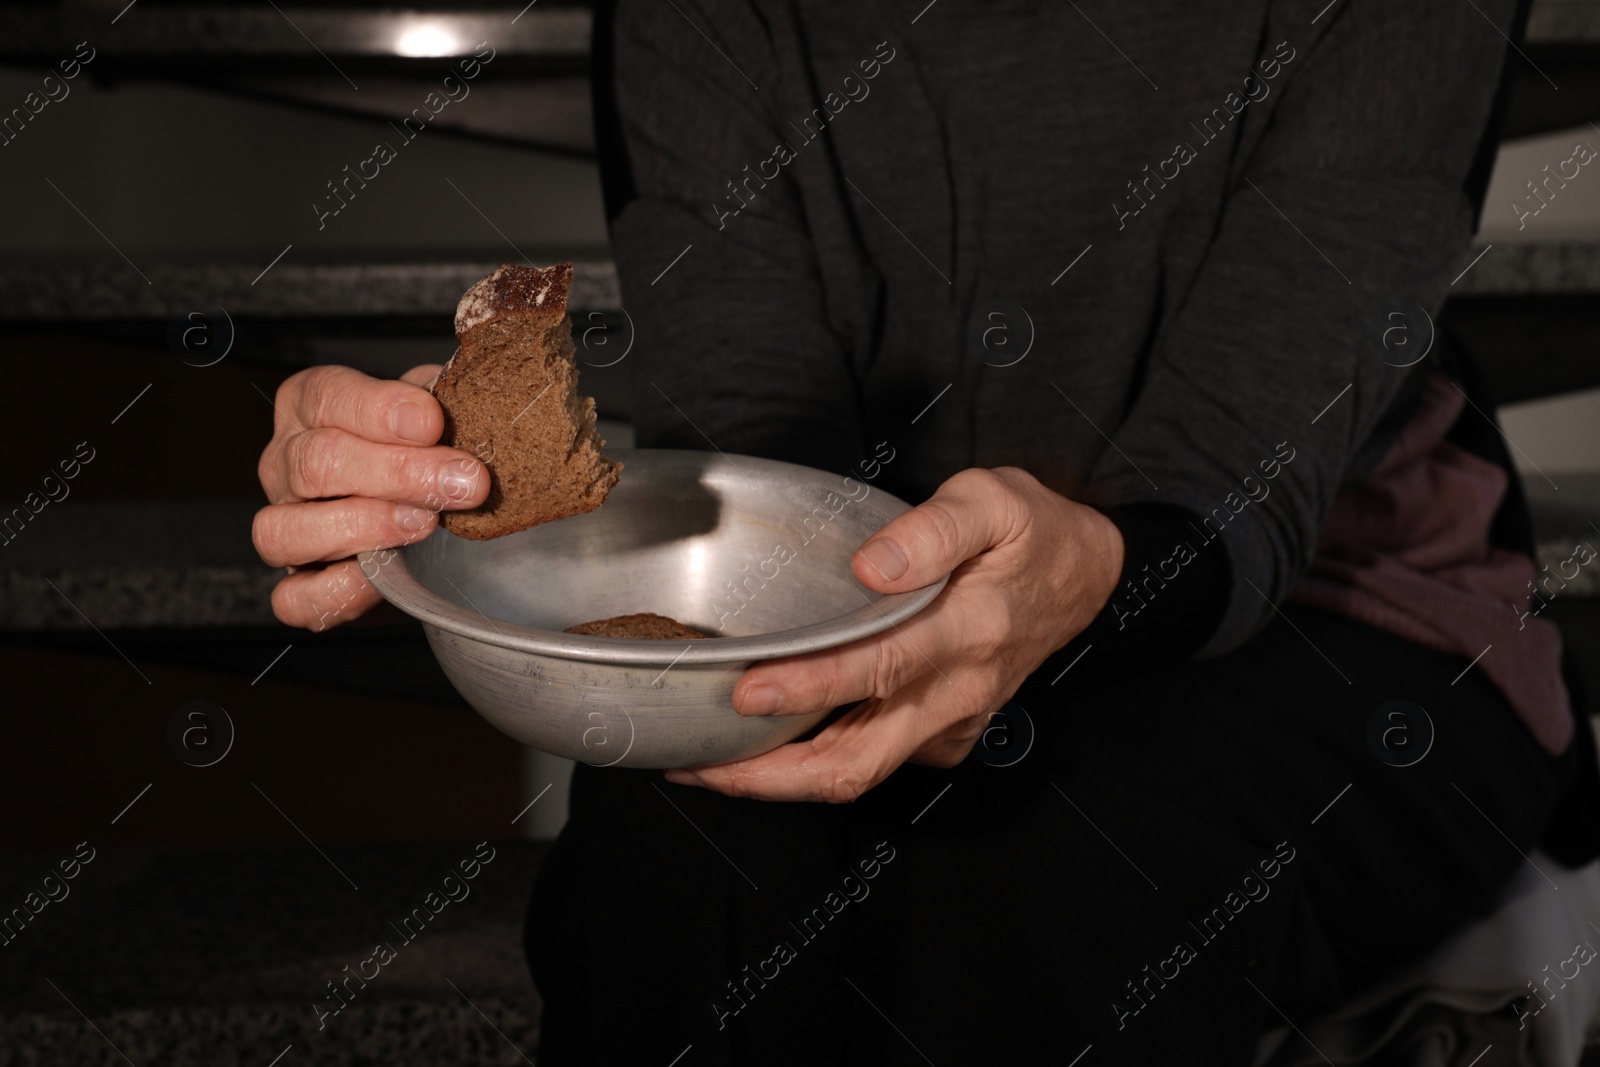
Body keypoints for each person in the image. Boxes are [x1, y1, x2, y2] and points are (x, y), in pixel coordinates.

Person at [254, 0, 1600, 1061]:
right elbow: (768, 448)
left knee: (1040, 865)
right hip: (854, 582)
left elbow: (1237, 462)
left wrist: (1067, 590)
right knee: (675, 860)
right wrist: (458, 499)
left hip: (1333, 608)